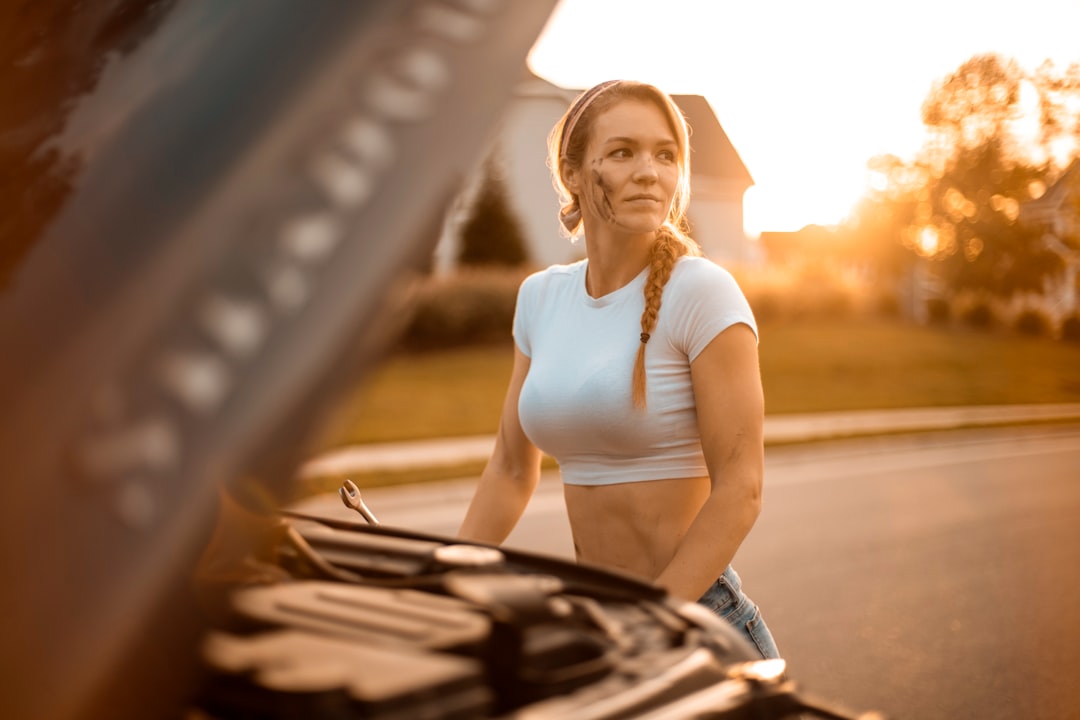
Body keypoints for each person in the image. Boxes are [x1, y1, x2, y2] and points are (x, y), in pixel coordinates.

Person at [457, 79, 779, 659]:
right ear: (574, 172)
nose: (650, 171)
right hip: (606, 622)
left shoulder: (703, 292)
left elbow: (742, 490)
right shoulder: (539, 298)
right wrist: (445, 576)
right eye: (623, 151)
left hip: (695, 624)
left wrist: (652, 623)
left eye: (666, 154)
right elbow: (509, 469)